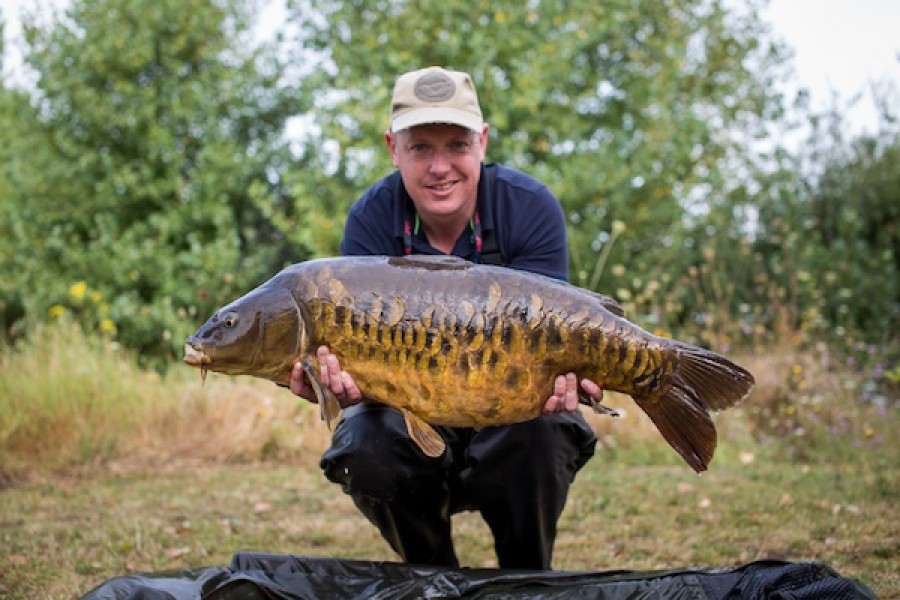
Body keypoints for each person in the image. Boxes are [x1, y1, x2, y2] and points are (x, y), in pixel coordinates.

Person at [289, 66, 601, 570]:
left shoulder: (529, 208)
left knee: (544, 428)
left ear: (482, 142)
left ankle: (526, 577)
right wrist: (336, 387)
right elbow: (356, 369)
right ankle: (433, 575)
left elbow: (560, 336)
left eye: (456, 145)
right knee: (365, 441)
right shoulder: (370, 220)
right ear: (393, 148)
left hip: (510, 413)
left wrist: (572, 378)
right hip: (414, 421)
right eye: (420, 148)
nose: (440, 167)